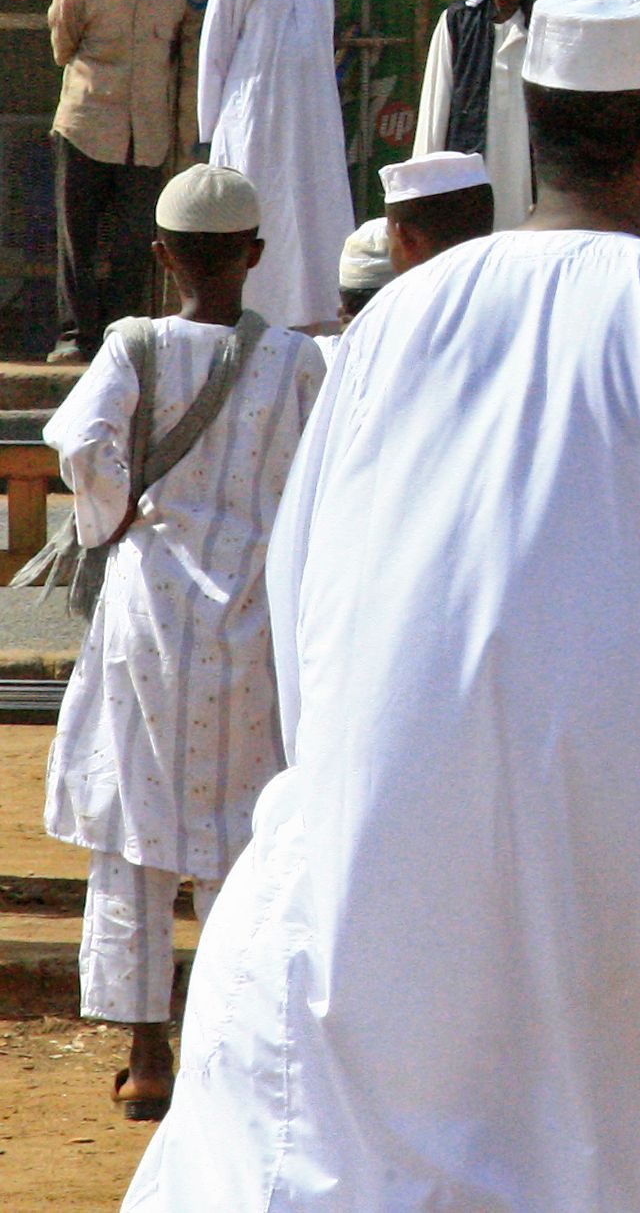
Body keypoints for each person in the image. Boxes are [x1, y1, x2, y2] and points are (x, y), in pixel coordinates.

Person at [124, 0, 640, 1210]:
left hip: (383, 841)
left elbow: (309, 599)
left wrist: (346, 785)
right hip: (628, 871)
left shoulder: (395, 321)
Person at [40, 163, 325, 1124]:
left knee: (136, 835)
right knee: (245, 833)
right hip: (249, 621)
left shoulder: (134, 344)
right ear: (255, 254)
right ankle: (231, 1038)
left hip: (149, 616)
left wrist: (115, 517)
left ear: (161, 257)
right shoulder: (294, 361)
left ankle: (146, 1055)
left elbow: (79, 441)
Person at [194, 0, 354, 333]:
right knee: (262, 203)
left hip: (313, 115)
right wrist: (212, 130)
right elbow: (216, 49)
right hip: (256, 114)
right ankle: (256, 307)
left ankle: (318, 309)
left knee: (313, 202)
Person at [49, 0, 191, 364]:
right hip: (86, 129)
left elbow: (177, 55)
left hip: (146, 137)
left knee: (134, 241)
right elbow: (63, 48)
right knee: (79, 238)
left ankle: (120, 337)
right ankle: (75, 336)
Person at [411, 0, 535, 228]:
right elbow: (436, 101)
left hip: (524, 163)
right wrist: (423, 184)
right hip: (472, 155)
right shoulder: (458, 22)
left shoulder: (540, 22)